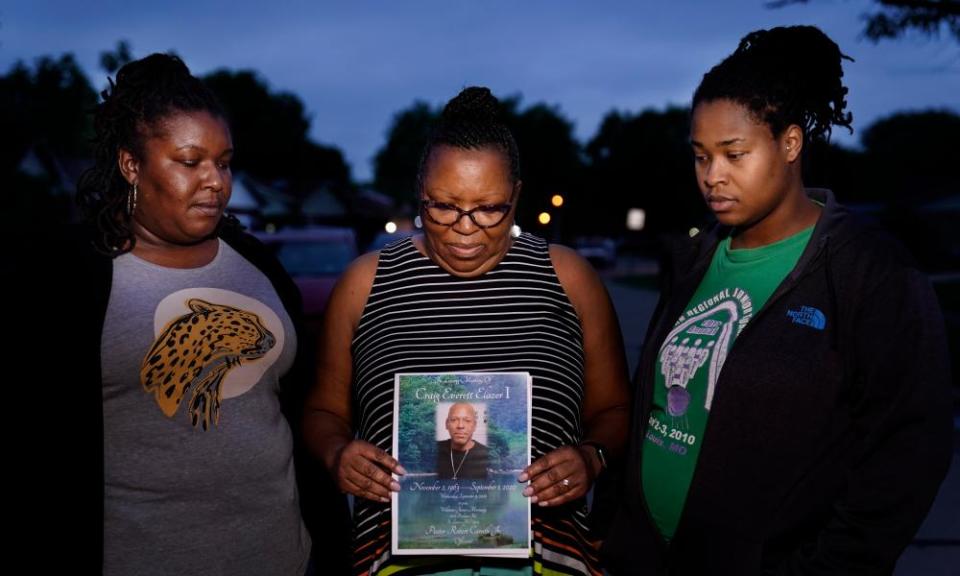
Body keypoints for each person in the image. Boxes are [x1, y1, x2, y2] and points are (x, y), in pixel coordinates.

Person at [602, 26, 953, 575]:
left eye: (734, 154)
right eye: (700, 156)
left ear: (790, 144)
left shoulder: (870, 269)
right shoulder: (695, 258)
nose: (712, 177)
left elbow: (910, 446)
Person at [36, 53, 346, 575]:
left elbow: (300, 406)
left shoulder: (258, 264)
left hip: (284, 559)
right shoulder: (72, 278)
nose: (216, 181)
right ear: (131, 164)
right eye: (190, 161)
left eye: (223, 162)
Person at [305, 86, 631, 575]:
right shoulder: (365, 283)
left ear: (517, 196)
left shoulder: (567, 278)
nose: (464, 227)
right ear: (420, 191)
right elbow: (322, 410)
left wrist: (592, 457)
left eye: (489, 208)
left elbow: (615, 409)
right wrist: (336, 455)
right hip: (398, 562)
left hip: (547, 561)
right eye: (443, 206)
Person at [436, 402, 490, 480]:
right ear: (447, 424)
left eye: (467, 420)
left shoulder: (486, 455)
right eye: (454, 420)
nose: (460, 426)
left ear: (474, 426)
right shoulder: (434, 450)